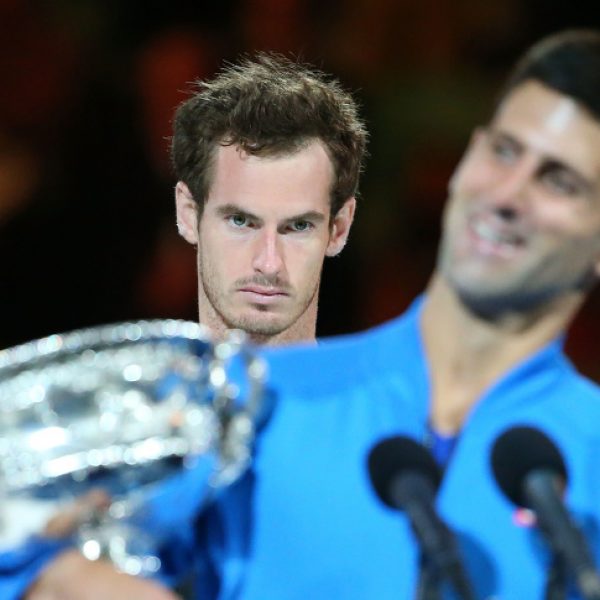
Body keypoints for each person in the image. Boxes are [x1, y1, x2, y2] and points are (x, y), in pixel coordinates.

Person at [10, 26, 600, 599]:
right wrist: (53, 576)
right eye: (504, 151)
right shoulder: (240, 409)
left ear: (339, 225)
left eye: (559, 181)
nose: (507, 195)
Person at [0, 52, 367, 600]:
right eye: (240, 220)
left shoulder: (386, 439)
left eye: (297, 226)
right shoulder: (96, 438)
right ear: (187, 213)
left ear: (338, 229)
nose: (269, 261)